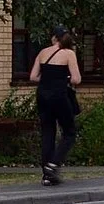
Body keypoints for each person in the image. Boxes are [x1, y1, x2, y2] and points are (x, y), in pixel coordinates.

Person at [29, 26, 82, 185]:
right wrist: (63, 79)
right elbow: (76, 79)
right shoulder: (69, 54)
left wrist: (48, 79)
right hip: (59, 96)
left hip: (42, 96)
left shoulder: (42, 53)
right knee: (69, 132)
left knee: (47, 132)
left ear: (53, 38)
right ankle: (54, 164)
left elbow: (33, 77)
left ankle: (46, 174)